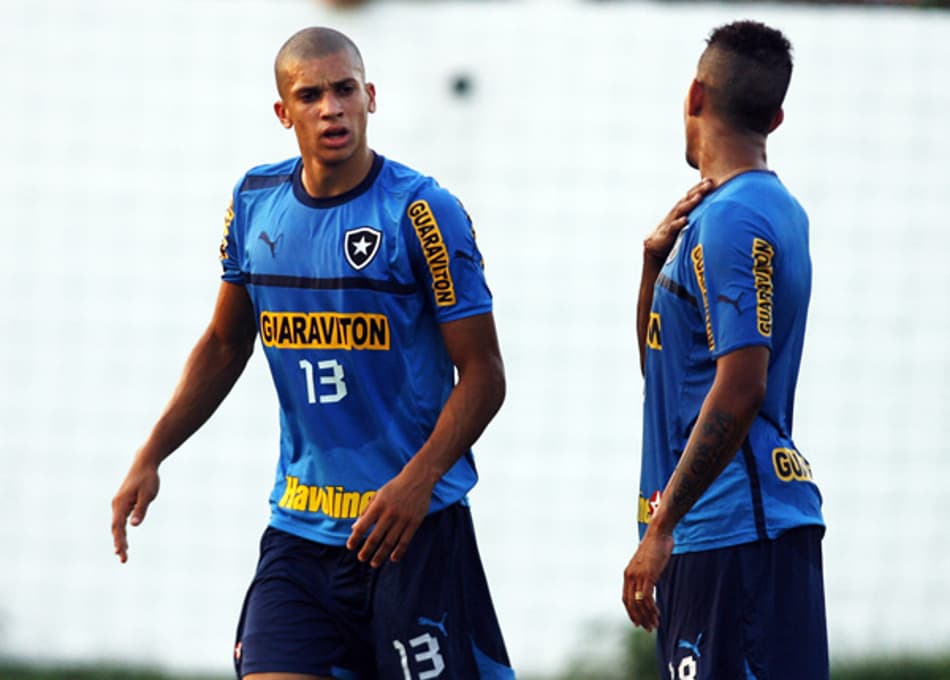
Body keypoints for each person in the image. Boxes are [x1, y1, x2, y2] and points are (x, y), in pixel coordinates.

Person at [111, 26, 515, 680]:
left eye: (345, 90)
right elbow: (224, 343)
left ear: (370, 98)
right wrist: (151, 453)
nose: (331, 107)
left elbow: (485, 374)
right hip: (300, 534)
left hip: (412, 534)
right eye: (311, 95)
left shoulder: (421, 211)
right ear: (284, 113)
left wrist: (416, 483)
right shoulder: (255, 202)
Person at [622, 20, 828, 680]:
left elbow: (740, 388)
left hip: (732, 531)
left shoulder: (734, 220)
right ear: (776, 116)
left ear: (694, 95)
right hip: (728, 529)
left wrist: (661, 529)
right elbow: (670, 379)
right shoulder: (761, 210)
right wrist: (653, 270)